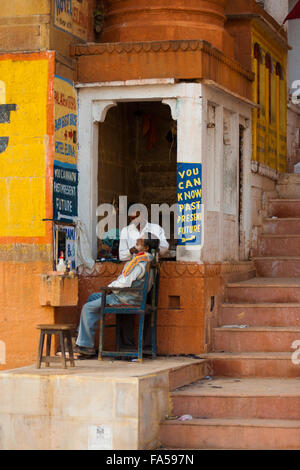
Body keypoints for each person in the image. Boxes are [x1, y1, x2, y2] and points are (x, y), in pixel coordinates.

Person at [74, 234, 160, 357]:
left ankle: (85, 346)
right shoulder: (147, 259)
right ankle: (81, 337)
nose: (137, 239)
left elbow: (125, 281)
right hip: (132, 295)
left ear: (146, 247)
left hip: (125, 297)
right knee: (93, 297)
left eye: (140, 240)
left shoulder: (141, 262)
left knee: (88, 308)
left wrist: (110, 288)